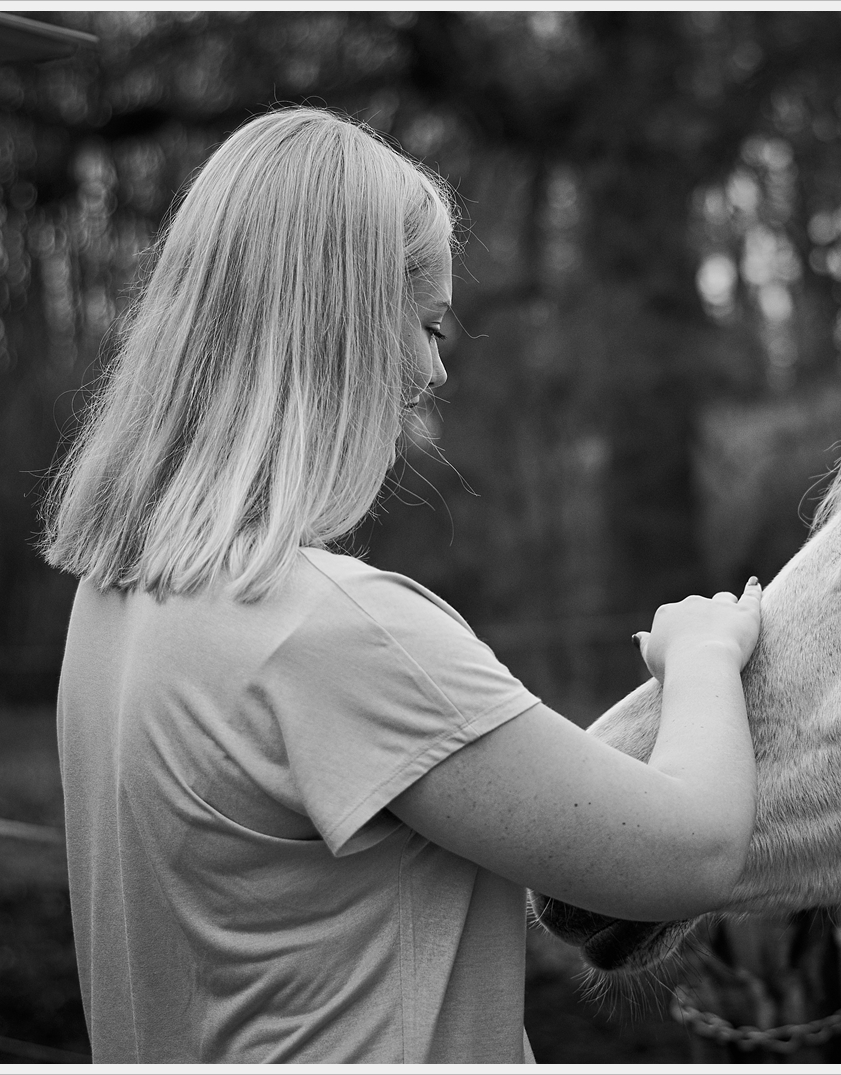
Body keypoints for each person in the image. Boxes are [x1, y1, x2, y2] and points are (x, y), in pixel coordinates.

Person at [42, 106, 762, 1064]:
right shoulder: (334, 634)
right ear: (334, 323)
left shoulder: (114, 602)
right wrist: (705, 652)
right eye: (425, 324)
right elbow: (694, 852)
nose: (431, 368)